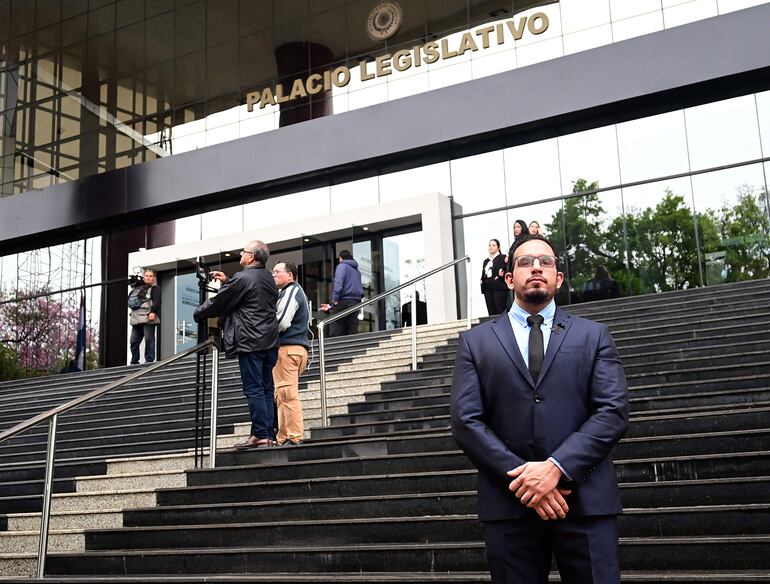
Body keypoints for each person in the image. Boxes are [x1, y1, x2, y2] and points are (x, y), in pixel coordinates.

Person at [451, 234, 629, 584]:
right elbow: (465, 421)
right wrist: (525, 480)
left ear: (558, 278)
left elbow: (613, 411)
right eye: (525, 262)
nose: (536, 268)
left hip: (586, 504)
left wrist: (556, 468)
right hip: (509, 506)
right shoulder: (475, 342)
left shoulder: (594, 335)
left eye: (545, 262)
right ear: (508, 278)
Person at [193, 240, 279, 449]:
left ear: (251, 256)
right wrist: (229, 281)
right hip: (268, 341)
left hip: (250, 341)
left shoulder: (243, 278)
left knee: (254, 388)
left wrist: (198, 312)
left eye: (243, 251)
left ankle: (259, 434)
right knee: (266, 388)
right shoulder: (268, 278)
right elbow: (249, 293)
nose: (241, 254)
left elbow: (219, 302)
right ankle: (268, 434)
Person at [271, 261, 310, 446]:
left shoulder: (291, 290)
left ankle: (294, 436)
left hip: (288, 349)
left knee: (286, 393)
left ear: (290, 275)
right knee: (281, 393)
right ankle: (284, 436)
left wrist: (263, 334)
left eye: (277, 272)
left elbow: (282, 321)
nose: (273, 275)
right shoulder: (292, 291)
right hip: (294, 349)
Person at [320, 250, 363, 337]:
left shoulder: (342, 266)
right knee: (352, 328)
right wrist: (331, 306)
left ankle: (336, 345)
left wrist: (335, 299)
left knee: (336, 325)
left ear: (340, 258)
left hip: (344, 301)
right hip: (356, 302)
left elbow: (338, 283)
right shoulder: (357, 271)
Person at [129, 268, 161, 364]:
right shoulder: (137, 289)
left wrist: (153, 312)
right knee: (133, 341)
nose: (148, 278)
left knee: (149, 340)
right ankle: (134, 361)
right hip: (136, 319)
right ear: (143, 277)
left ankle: (149, 360)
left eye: (151, 276)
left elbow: (157, 302)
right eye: (146, 276)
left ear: (154, 278)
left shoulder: (155, 288)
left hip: (148, 317)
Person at [481, 239, 508, 315]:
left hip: (499, 287)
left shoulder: (503, 258)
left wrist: (502, 274)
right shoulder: (486, 261)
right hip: (488, 288)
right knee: (491, 311)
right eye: (489, 245)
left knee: (500, 309)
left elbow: (508, 270)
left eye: (493, 245)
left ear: (498, 248)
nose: (491, 247)